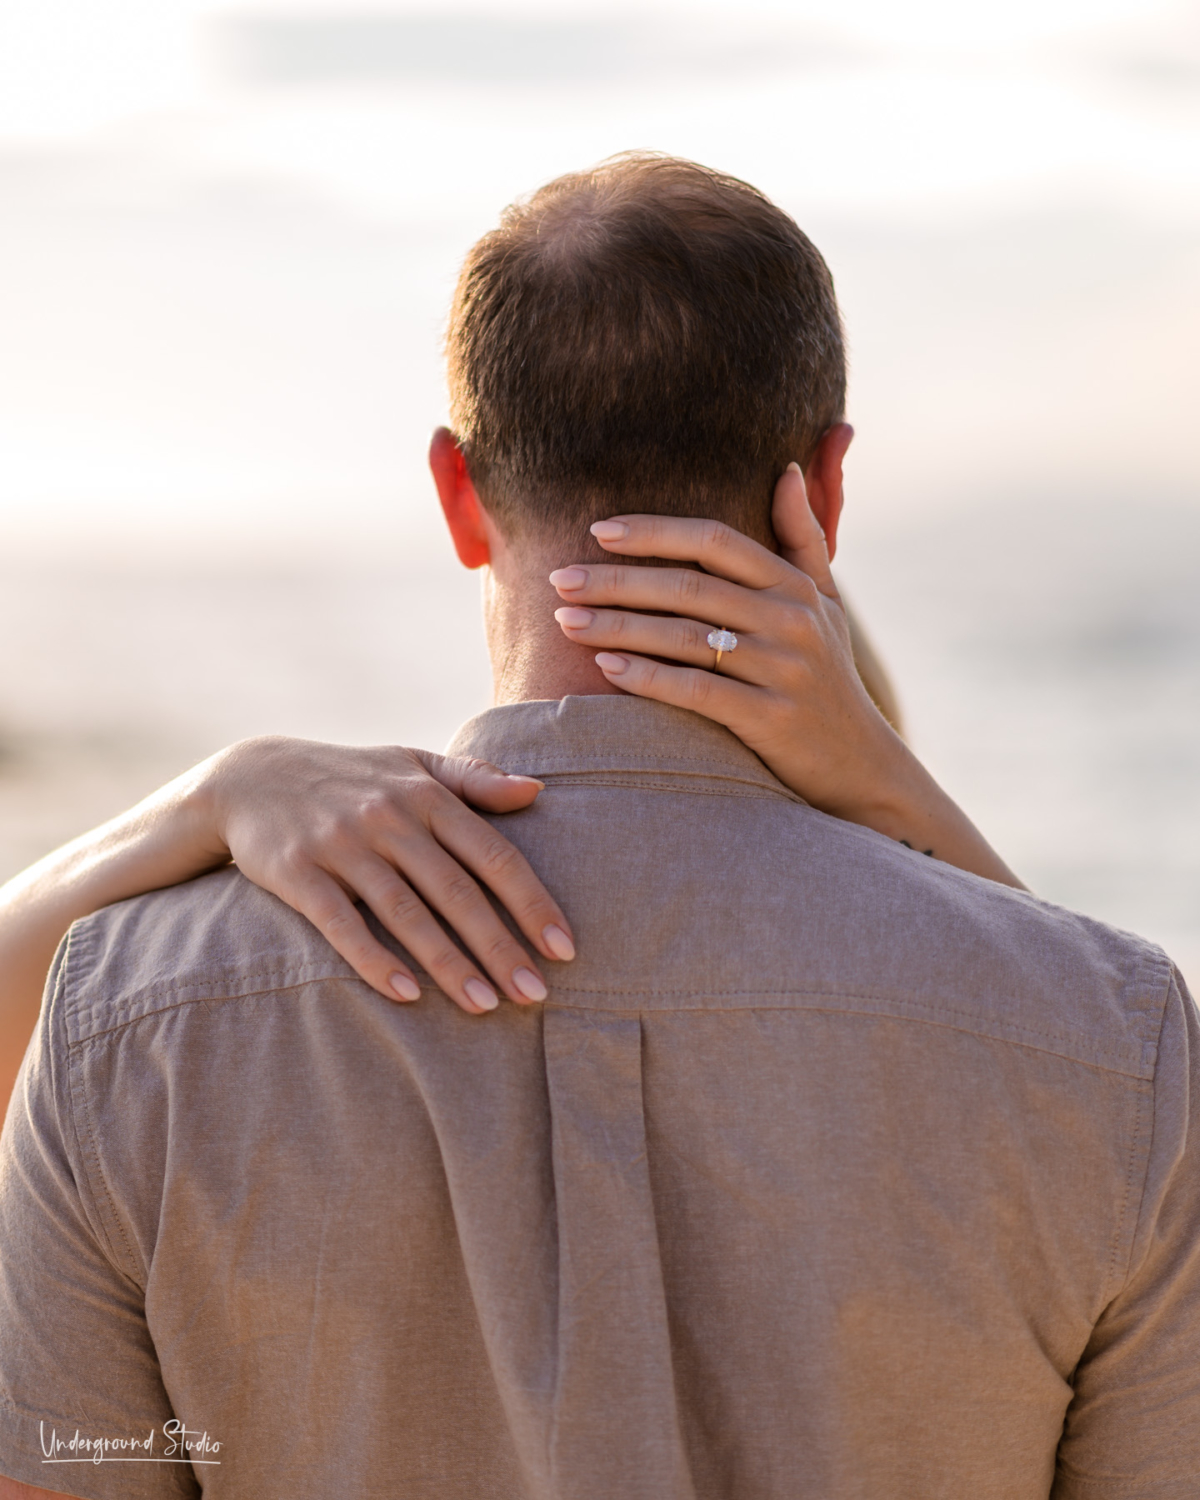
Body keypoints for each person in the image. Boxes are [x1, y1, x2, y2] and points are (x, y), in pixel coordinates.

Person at [2, 153, 1197, 1499]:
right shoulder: (1109, 1041)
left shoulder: (124, 1027)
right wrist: (895, 791)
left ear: (459, 494)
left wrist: (203, 803)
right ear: (830, 487)